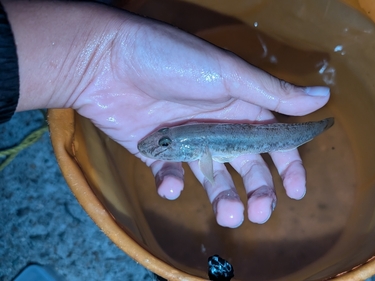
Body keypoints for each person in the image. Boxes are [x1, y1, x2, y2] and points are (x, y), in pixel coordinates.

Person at [0, 0, 330, 228]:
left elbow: (203, 159)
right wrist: (99, 58)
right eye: (165, 143)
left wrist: (101, 56)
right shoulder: (186, 138)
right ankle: (323, 124)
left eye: (165, 144)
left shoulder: (190, 143)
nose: (159, 142)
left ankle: (323, 124)